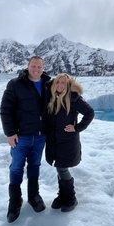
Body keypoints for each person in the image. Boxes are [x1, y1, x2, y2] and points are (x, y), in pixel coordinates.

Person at [0, 56, 51, 223]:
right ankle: (15, 201)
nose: (36, 69)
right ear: (28, 66)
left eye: (39, 66)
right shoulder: (15, 84)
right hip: (20, 136)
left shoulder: (48, 84)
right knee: (16, 168)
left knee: (35, 165)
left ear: (43, 68)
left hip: (40, 136)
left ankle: (33, 196)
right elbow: (6, 110)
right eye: (33, 66)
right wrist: (10, 132)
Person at [45, 73, 94, 212]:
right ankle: (62, 196)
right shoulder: (52, 97)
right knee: (59, 166)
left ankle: (71, 198)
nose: (60, 85)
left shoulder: (74, 98)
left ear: (68, 85)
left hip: (68, 142)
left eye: (64, 83)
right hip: (55, 141)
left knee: (62, 168)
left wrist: (77, 127)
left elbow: (90, 113)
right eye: (58, 82)